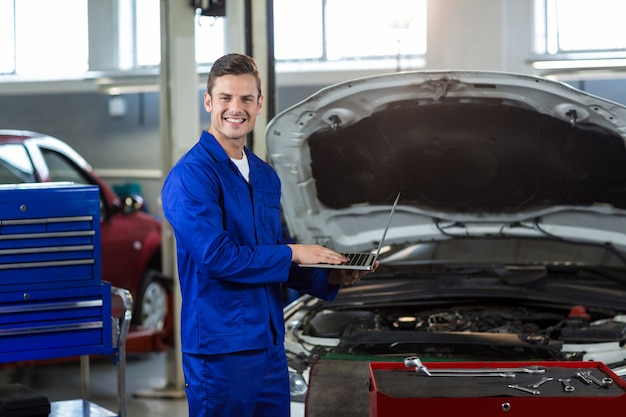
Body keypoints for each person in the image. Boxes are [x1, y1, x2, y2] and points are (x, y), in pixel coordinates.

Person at [161, 53, 377, 417]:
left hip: (270, 344)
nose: (236, 108)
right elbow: (218, 258)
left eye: (246, 98)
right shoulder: (191, 177)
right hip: (221, 349)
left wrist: (326, 275)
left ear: (259, 103)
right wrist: (294, 253)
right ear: (209, 101)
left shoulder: (264, 176)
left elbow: (268, 256)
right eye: (226, 98)